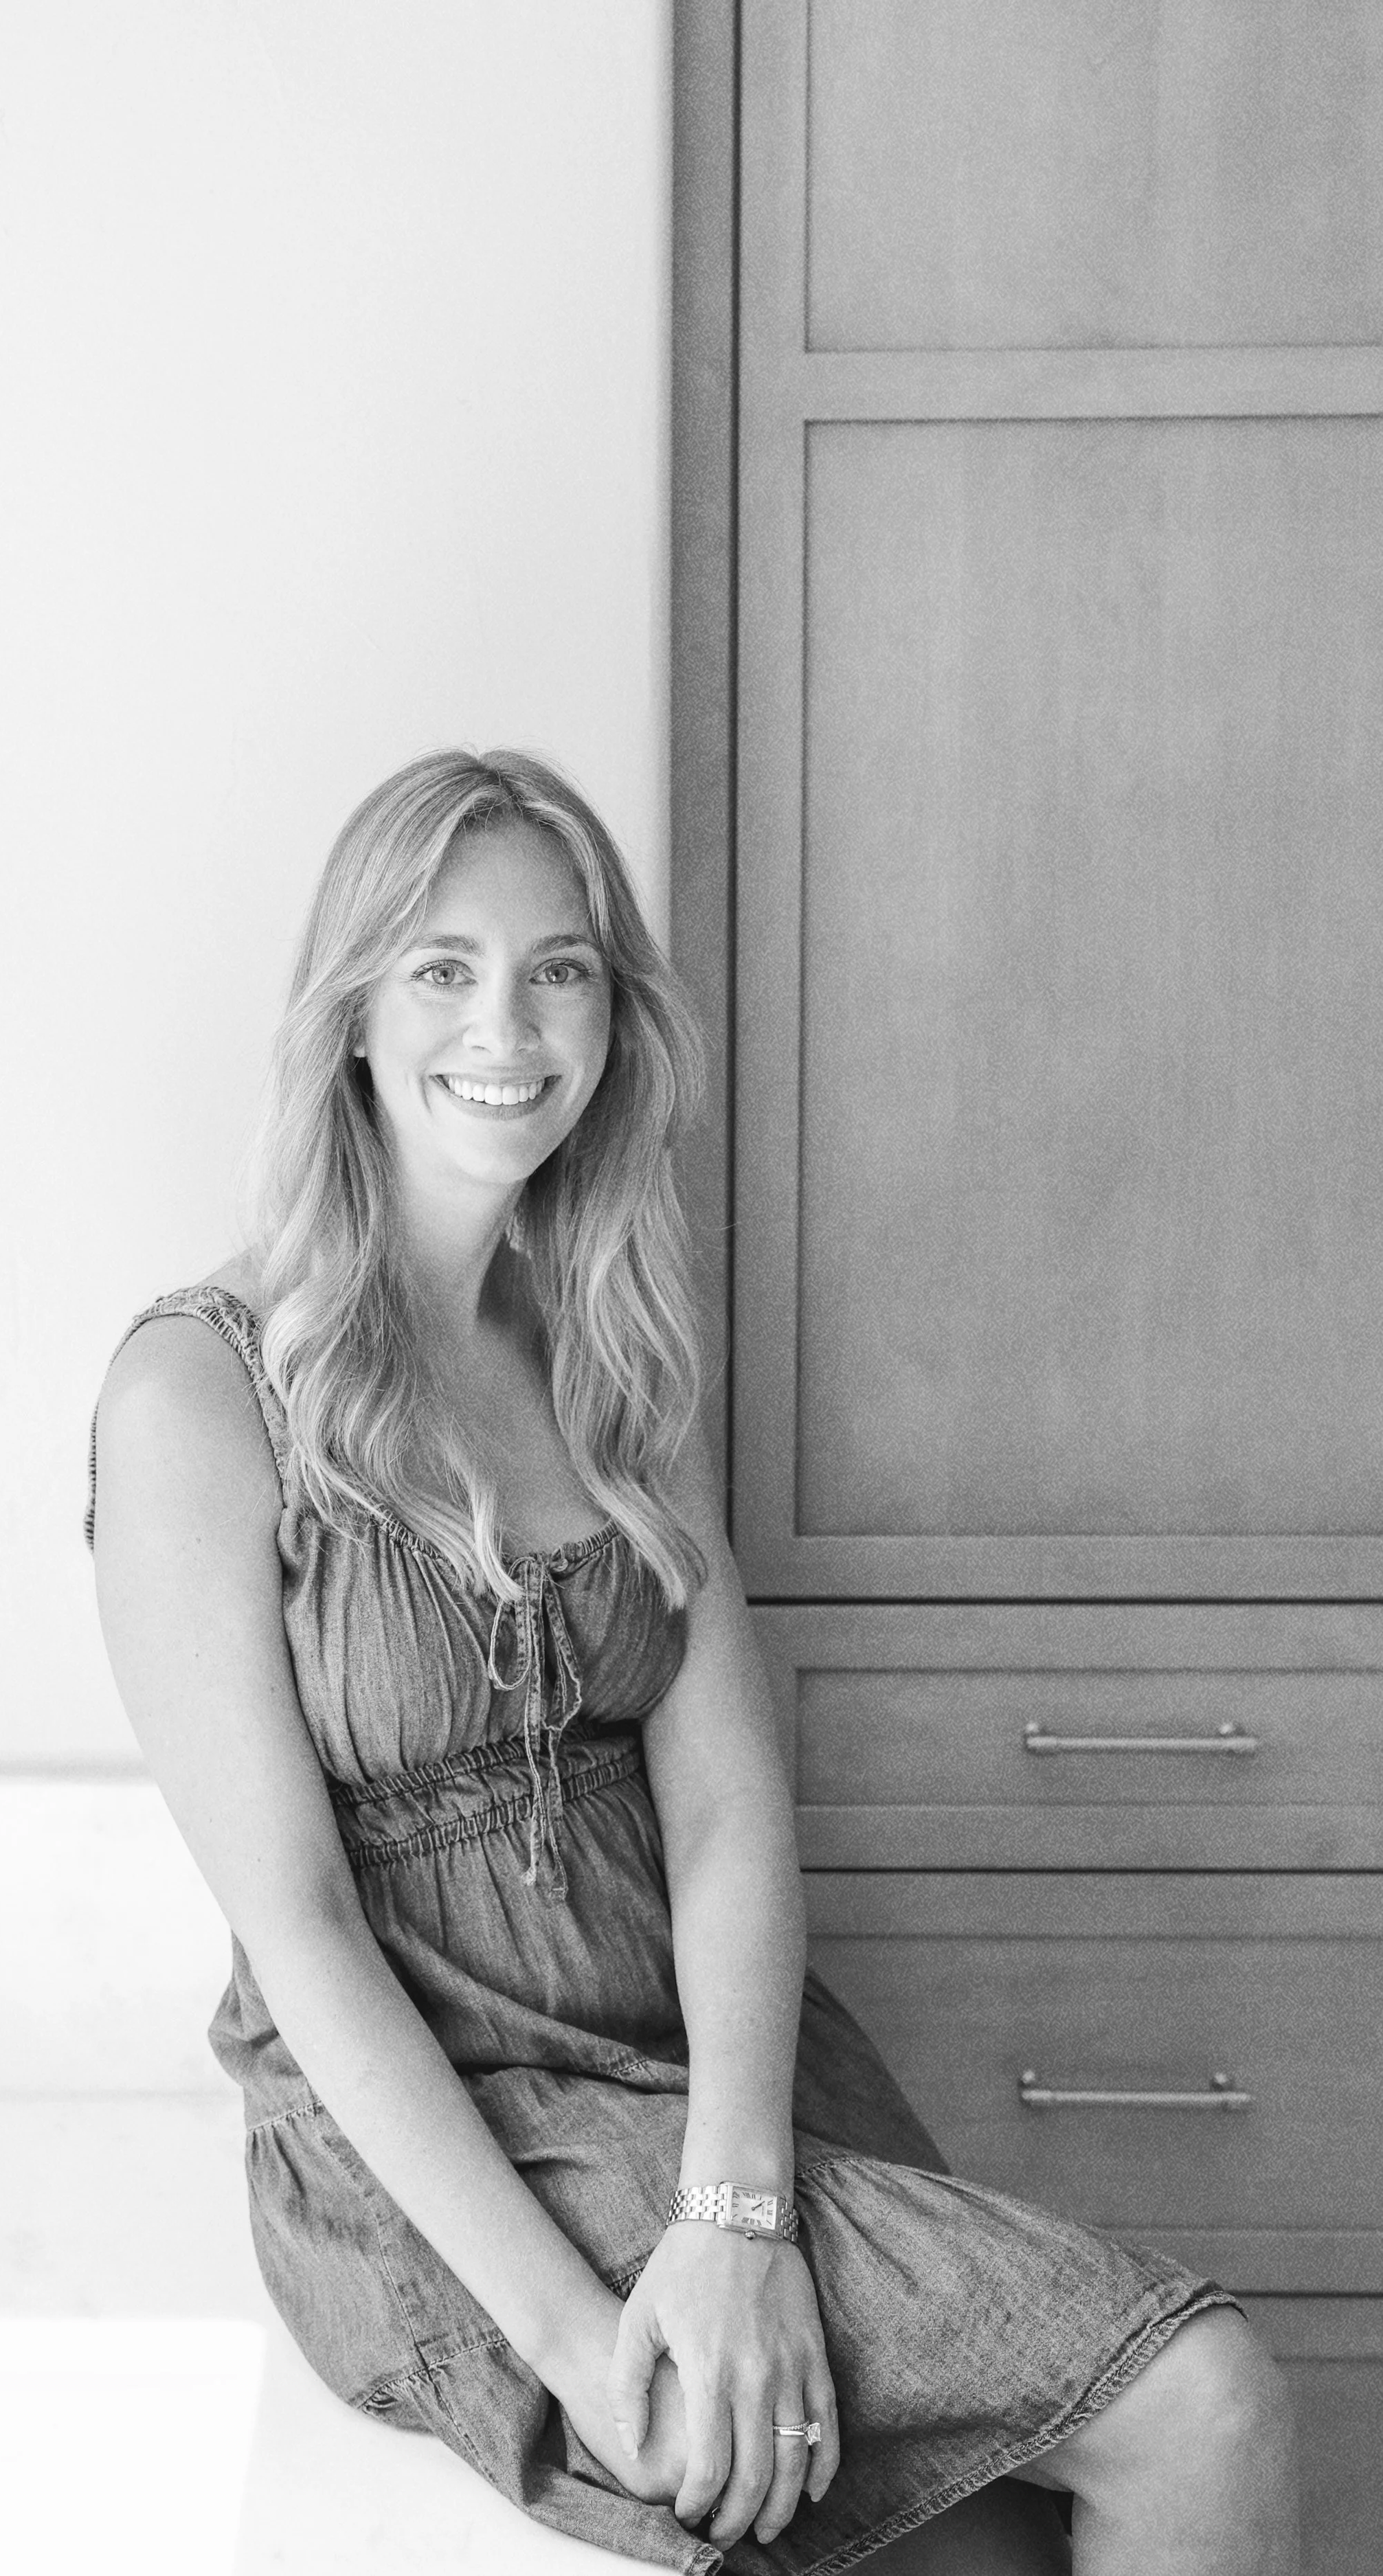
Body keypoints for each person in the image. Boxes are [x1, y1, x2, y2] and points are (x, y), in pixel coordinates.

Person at [85, 748, 1298, 2573]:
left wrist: (733, 2209)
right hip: (440, 2140)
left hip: (699, 2069)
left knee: (997, 2538)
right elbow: (303, 1930)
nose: (508, 1021)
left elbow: (725, 1807)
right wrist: (583, 2341)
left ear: (610, 1013)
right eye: (443, 965)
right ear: (348, 1011)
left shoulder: (607, 1348)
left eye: (557, 966)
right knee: (1199, 2396)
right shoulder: (197, 1391)